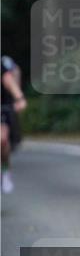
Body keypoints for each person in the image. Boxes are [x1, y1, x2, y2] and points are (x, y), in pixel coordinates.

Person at [1, 55, 27, 194]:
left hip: (2, 107)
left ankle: (5, 172)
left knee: (2, 140)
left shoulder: (4, 63)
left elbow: (8, 79)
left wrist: (19, 97)